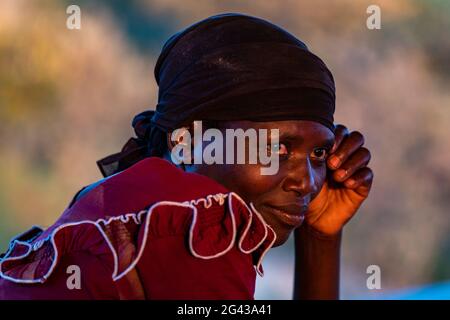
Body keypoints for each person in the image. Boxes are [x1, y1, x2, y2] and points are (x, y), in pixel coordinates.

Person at [0, 13, 373, 300]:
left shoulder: (119, 209)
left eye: (320, 153)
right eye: (275, 147)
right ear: (188, 144)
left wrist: (322, 236)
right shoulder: (192, 224)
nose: (306, 181)